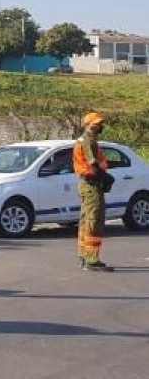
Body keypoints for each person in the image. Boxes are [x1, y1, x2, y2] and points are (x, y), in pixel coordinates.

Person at [73, 111, 115, 272]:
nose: (100, 126)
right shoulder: (88, 141)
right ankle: (91, 259)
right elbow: (93, 165)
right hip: (91, 184)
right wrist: (107, 177)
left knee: (85, 220)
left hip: (87, 184)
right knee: (93, 220)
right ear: (89, 125)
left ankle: (84, 256)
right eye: (97, 124)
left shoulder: (85, 140)